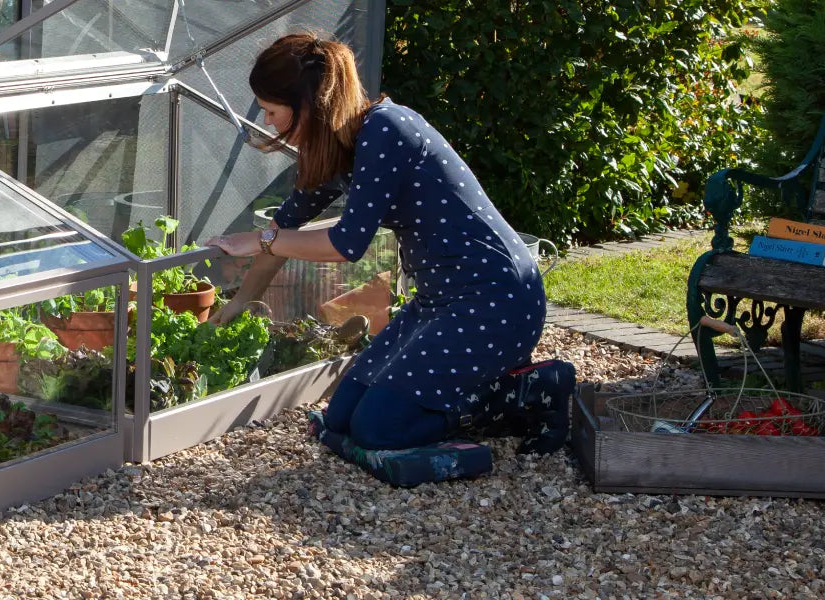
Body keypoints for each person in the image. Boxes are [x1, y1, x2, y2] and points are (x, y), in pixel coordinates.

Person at [204, 33, 577, 488]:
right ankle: (430, 411)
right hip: (438, 301)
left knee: (378, 429)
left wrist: (263, 240)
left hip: (496, 301)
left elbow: (345, 244)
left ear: (309, 103)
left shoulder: (386, 128)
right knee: (341, 418)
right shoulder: (335, 148)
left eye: (272, 110)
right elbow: (285, 229)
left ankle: (535, 391)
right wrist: (243, 300)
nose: (267, 121)